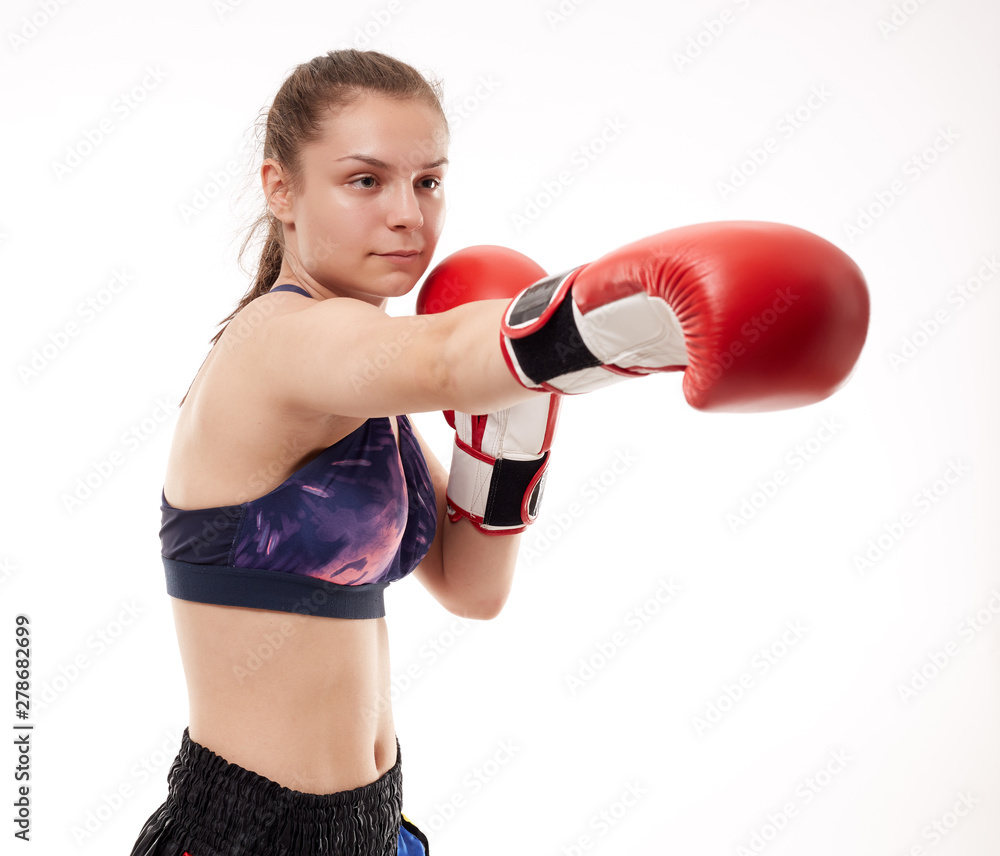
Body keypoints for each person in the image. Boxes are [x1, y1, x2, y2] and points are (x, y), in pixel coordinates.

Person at [131, 47, 869, 856]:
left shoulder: (365, 382)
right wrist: (637, 314)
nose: (409, 215)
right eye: (366, 180)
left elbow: (470, 587)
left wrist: (510, 432)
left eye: (429, 181)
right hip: (249, 837)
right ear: (282, 188)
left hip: (373, 824)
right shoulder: (280, 341)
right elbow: (448, 357)